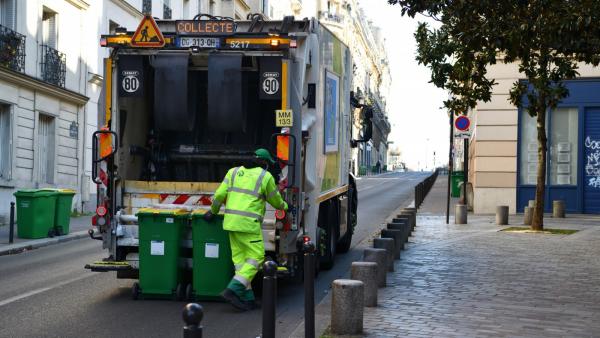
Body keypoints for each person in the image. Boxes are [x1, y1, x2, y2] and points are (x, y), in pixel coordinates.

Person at [204, 148, 288, 311]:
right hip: (248, 224)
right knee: (256, 257)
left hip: (231, 223)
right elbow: (275, 201)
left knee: (240, 261)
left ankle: (247, 298)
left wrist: (212, 212)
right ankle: (233, 289)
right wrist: (286, 206)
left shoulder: (233, 172)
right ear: (264, 163)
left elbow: (219, 195)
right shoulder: (265, 176)